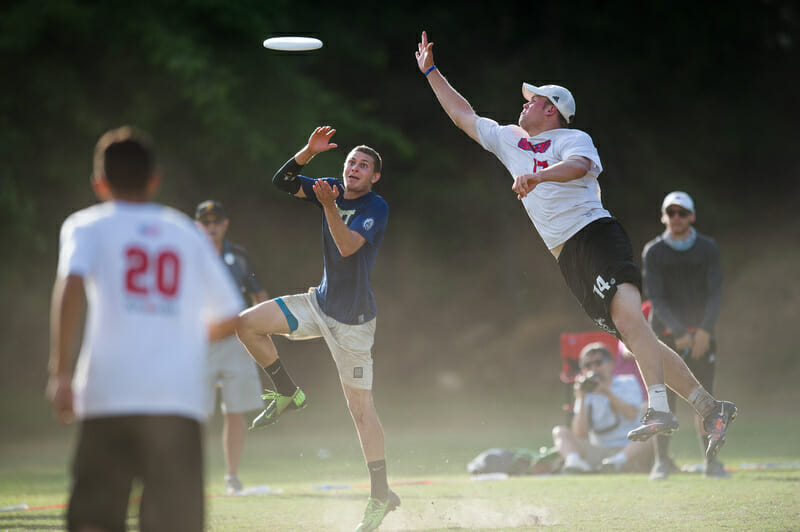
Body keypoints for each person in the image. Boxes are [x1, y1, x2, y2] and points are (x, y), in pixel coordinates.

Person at [415, 31, 736, 456]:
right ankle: (709, 407)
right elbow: (464, 116)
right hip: (568, 258)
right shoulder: (511, 140)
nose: (524, 104)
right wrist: (432, 72)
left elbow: (577, 167)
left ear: (551, 110)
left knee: (630, 322)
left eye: (532, 100)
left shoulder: (573, 139)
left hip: (595, 235)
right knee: (636, 332)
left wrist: (538, 175)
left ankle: (659, 408)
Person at [47, 126, 243, 532]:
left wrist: (60, 373)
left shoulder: (86, 225)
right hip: (176, 401)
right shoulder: (186, 233)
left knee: (95, 522)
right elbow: (229, 315)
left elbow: (71, 287)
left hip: (108, 396)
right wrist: (181, 341)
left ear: (99, 183)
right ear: (155, 179)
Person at [235, 126, 399, 532]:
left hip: (353, 326)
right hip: (317, 305)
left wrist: (328, 205)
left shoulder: (376, 207)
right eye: (350, 163)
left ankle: (381, 494)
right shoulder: (332, 191)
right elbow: (283, 181)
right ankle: (288, 391)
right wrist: (308, 151)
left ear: (375, 176)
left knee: (361, 412)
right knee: (247, 324)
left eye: (363, 165)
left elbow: (346, 247)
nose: (354, 169)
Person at [642, 191, 727, 480]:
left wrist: (704, 329)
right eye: (671, 212)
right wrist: (676, 332)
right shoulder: (654, 252)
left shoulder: (708, 248)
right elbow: (655, 297)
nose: (676, 218)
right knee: (663, 400)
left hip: (702, 336)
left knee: (705, 400)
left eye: (682, 212)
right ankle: (661, 462)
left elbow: (715, 293)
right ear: (664, 217)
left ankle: (711, 463)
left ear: (691, 216)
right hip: (665, 336)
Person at [195, 200, 269, 495]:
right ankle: (190, 477)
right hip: (199, 343)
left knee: (235, 411)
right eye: (205, 222)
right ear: (198, 225)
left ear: (225, 224)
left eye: (216, 221)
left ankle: (232, 477)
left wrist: (262, 330)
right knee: (195, 413)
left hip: (236, 341)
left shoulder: (238, 257)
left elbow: (258, 293)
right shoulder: (189, 256)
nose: (211, 227)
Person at [553, 343, 653, 474]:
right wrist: (581, 399)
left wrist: (607, 393)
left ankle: (617, 462)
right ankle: (575, 464)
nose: (593, 368)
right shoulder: (585, 392)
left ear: (611, 364)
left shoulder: (627, 382)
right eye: (587, 365)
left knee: (653, 430)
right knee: (560, 432)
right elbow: (579, 434)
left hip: (630, 447)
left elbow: (632, 414)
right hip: (599, 450)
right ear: (583, 370)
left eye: (598, 363)